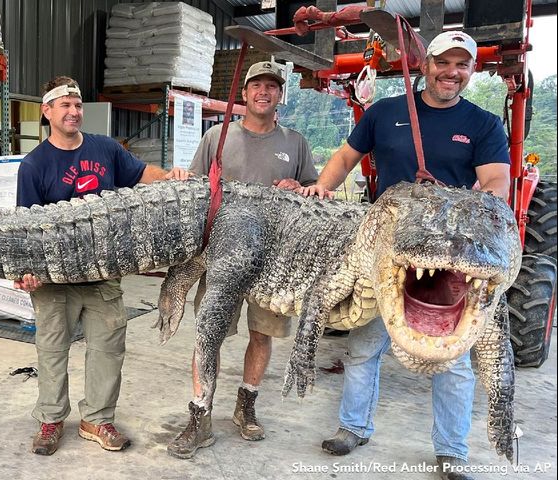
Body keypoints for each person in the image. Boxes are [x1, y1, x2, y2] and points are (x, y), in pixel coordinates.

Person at [300, 31, 510, 480]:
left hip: (449, 256)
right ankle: (353, 427)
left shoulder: (484, 124)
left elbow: (496, 185)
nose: (452, 73)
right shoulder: (387, 112)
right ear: (425, 64)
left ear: (471, 71)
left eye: (462, 65)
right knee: (363, 345)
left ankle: (451, 450)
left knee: (451, 359)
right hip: (388, 251)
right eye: (444, 63)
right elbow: (345, 156)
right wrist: (323, 186)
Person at [15, 76, 190, 456]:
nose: (74, 111)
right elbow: (25, 227)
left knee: (108, 348)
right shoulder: (33, 165)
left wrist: (171, 176)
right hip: (54, 279)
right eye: (65, 105)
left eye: (78, 105)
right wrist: (25, 272)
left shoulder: (106, 148)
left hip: (103, 274)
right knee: (51, 349)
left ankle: (97, 419)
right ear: (47, 111)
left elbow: (142, 174)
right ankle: (50, 418)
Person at [167, 60, 319, 459]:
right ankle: (199, 414)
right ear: (245, 92)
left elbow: (313, 192)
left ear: (279, 95)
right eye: (257, 85)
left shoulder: (295, 142)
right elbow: (198, 191)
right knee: (208, 333)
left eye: (272, 86)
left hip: (274, 261)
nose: (263, 92)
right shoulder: (217, 137)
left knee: (262, 334)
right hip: (222, 258)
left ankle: (246, 404)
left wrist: (299, 187)